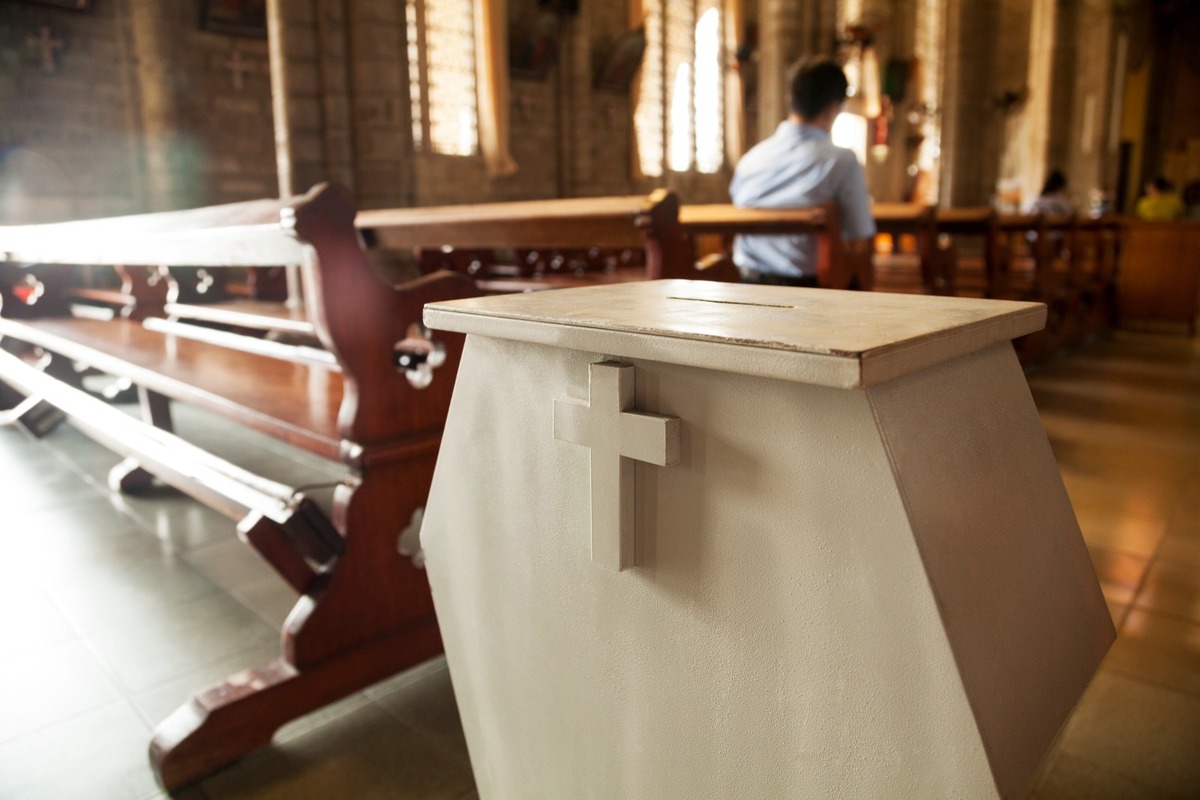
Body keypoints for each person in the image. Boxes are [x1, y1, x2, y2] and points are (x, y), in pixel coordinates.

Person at [729, 56, 875, 286]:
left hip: (745, 284)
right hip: (810, 292)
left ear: (792, 99)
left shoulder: (750, 159)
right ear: (833, 108)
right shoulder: (842, 160)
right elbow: (858, 240)